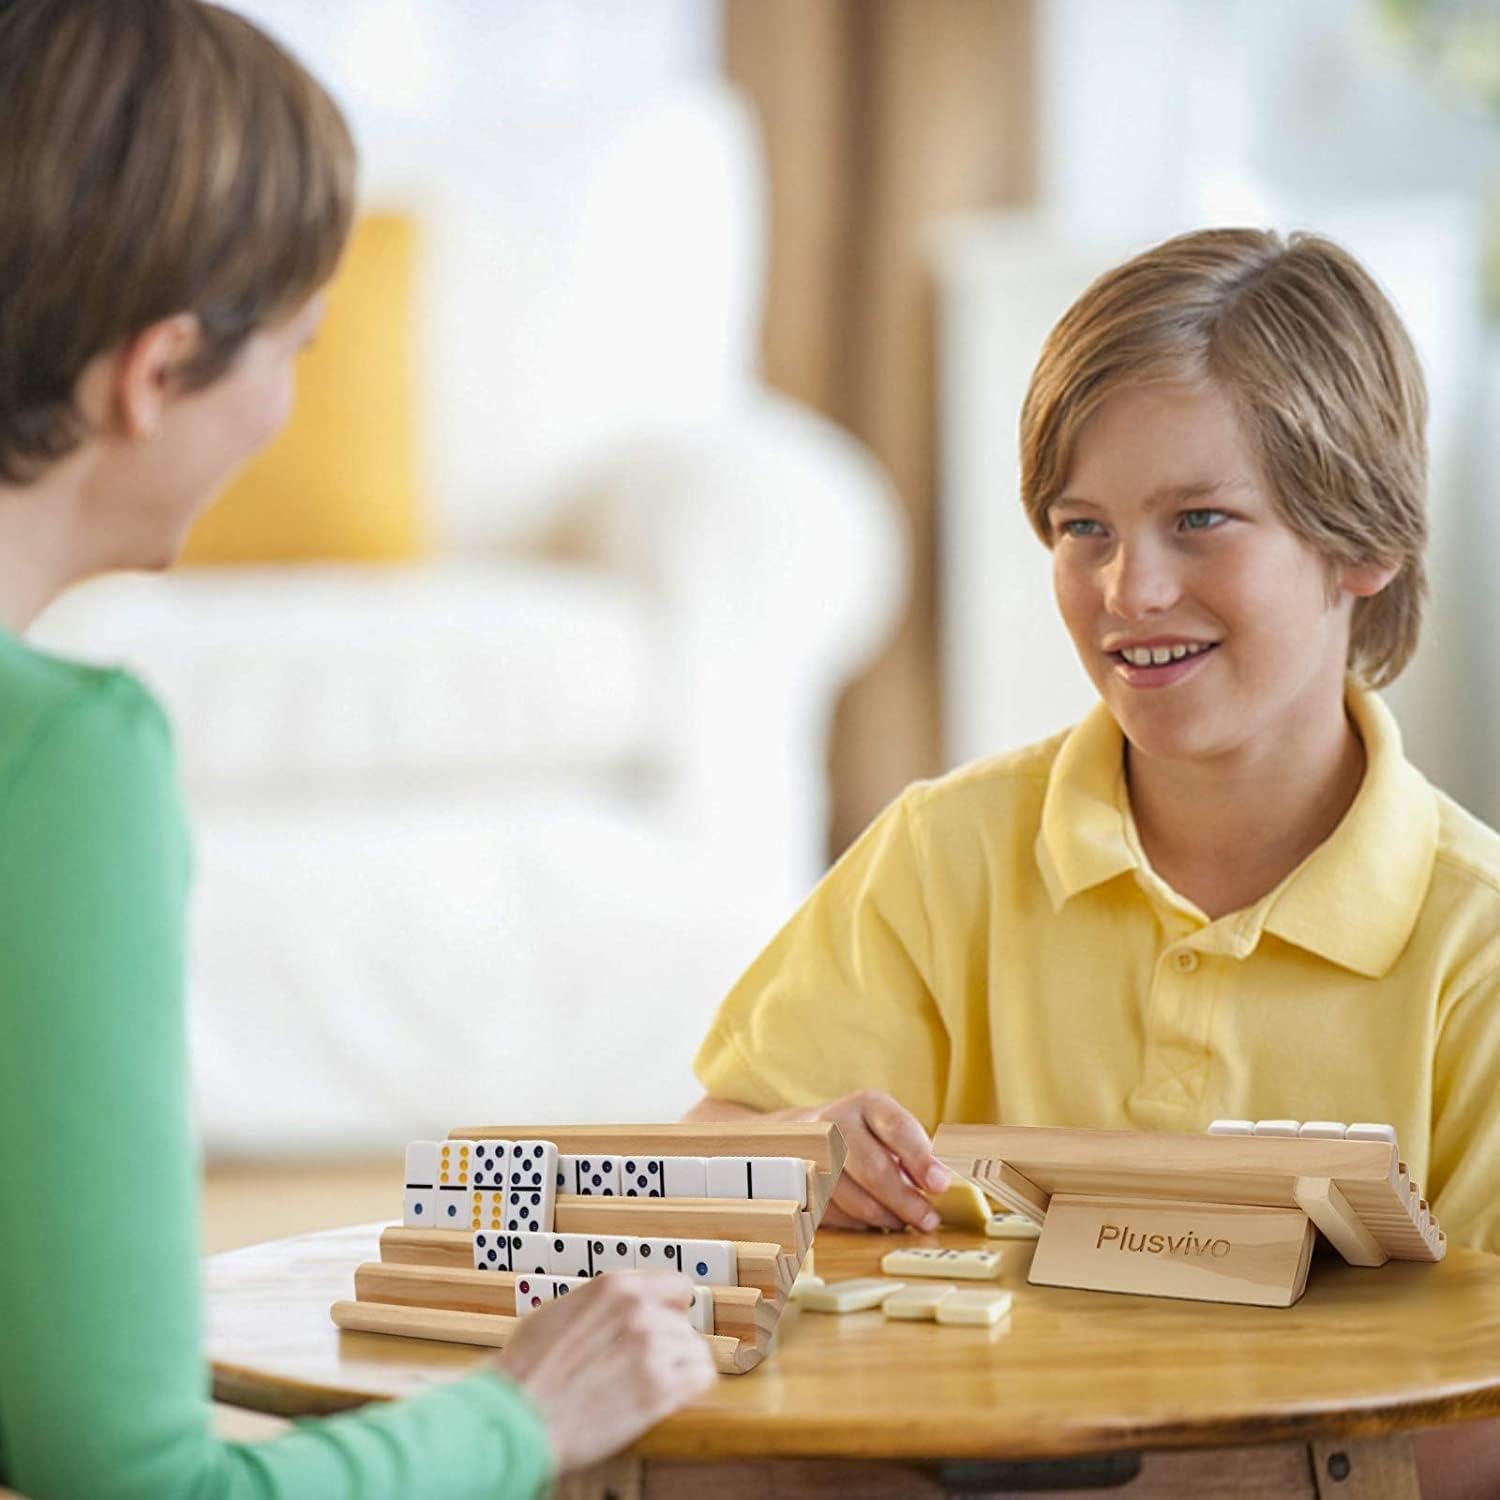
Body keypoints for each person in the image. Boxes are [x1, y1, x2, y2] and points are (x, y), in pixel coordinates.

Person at [0, 3, 714, 1497]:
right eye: (297, 351)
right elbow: (134, 1492)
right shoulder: (60, 760)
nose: (291, 407)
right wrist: (520, 1414)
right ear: (156, 372)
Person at [685, 227, 1500, 1493]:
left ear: (1363, 543)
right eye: (1083, 527)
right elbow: (706, 1165)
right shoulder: (945, 851)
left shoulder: (1477, 943)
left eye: (1200, 520)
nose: (1130, 588)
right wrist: (802, 1150)